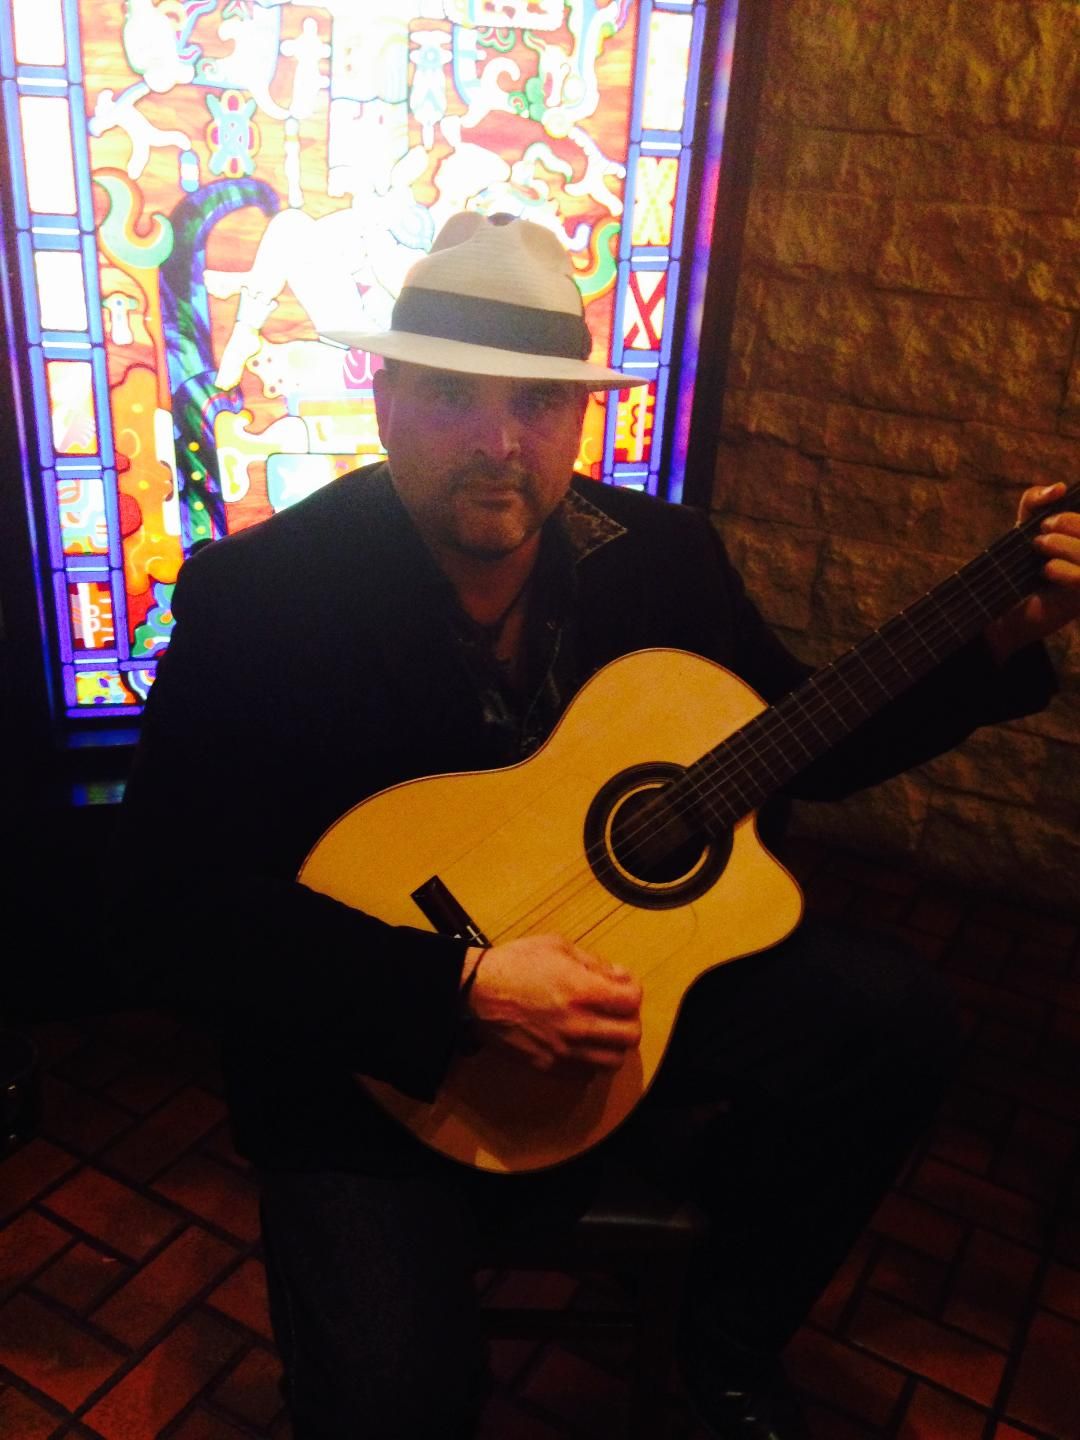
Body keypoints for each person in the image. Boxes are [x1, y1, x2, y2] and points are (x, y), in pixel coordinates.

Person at [112, 212, 1080, 1440]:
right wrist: (460, 991)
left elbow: (806, 738)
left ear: (579, 415)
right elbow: (163, 908)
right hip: (371, 1066)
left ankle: (725, 1338)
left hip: (621, 981)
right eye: (453, 396)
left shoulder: (661, 560)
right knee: (393, 1406)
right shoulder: (259, 596)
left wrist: (995, 637)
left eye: (538, 403)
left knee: (895, 1023)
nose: (499, 444)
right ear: (386, 397)